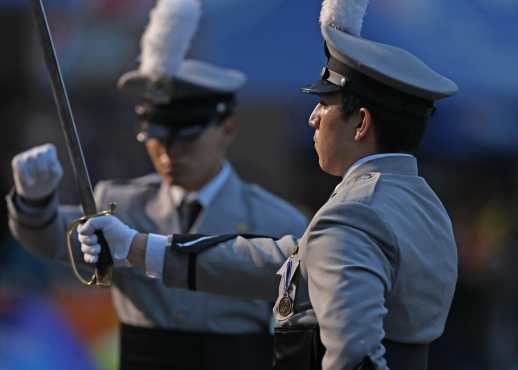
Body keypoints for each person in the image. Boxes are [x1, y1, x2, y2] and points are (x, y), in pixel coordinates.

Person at [77, 0, 459, 369]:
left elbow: (354, 354)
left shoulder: (354, 216)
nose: (313, 119)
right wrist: (136, 246)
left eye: (324, 104)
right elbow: (280, 261)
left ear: (360, 123)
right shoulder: (422, 205)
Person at [6, 0, 307, 369]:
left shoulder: (275, 222)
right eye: (157, 138)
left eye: (186, 139)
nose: (168, 153)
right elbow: (53, 239)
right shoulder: (120, 205)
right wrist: (35, 202)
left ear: (227, 130)